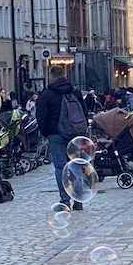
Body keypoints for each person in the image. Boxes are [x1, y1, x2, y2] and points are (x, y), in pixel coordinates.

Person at [36, 65, 88, 209]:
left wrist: (47, 133)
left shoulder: (46, 94)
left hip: (56, 135)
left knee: (60, 167)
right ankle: (78, 200)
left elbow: (40, 116)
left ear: (51, 75)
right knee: (76, 166)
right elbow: (84, 111)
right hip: (76, 134)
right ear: (64, 74)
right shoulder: (75, 91)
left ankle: (65, 200)